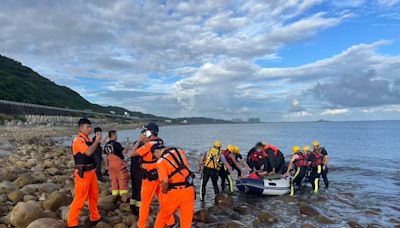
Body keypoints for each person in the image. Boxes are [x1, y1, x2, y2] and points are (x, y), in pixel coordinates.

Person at [130, 123, 175, 228]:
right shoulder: (160, 141)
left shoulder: (148, 145)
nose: (144, 133)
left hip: (149, 177)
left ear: (149, 132)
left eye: (145, 131)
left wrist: (139, 141)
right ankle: (171, 222)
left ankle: (141, 225)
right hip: (159, 174)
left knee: (145, 203)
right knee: (163, 200)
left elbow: (132, 154)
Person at [67, 118, 101, 227]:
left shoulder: (88, 139)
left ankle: (95, 217)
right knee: (80, 197)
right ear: (81, 128)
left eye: (90, 127)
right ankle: (72, 222)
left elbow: (92, 152)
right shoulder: (78, 140)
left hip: (91, 171)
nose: (90, 129)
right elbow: (88, 152)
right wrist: (97, 141)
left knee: (94, 195)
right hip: (83, 173)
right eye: (88, 127)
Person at [153, 145, 195, 228]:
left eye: (154, 155)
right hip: (189, 190)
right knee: (186, 220)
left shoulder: (160, 162)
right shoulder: (180, 151)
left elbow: (165, 181)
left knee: (162, 217)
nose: (156, 158)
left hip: (174, 193)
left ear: (157, 152)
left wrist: (164, 192)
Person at [104, 130, 130, 197]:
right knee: (122, 179)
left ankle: (114, 196)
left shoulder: (106, 145)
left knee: (114, 180)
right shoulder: (116, 144)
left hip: (110, 164)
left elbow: (105, 156)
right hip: (118, 164)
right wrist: (128, 145)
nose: (117, 136)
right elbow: (125, 152)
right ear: (114, 135)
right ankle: (123, 197)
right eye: (116, 135)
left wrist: (107, 165)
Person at [129, 136, 144, 216]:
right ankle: (138, 209)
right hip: (138, 171)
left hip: (133, 171)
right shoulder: (142, 147)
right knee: (139, 190)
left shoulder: (136, 144)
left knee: (134, 189)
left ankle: (132, 206)